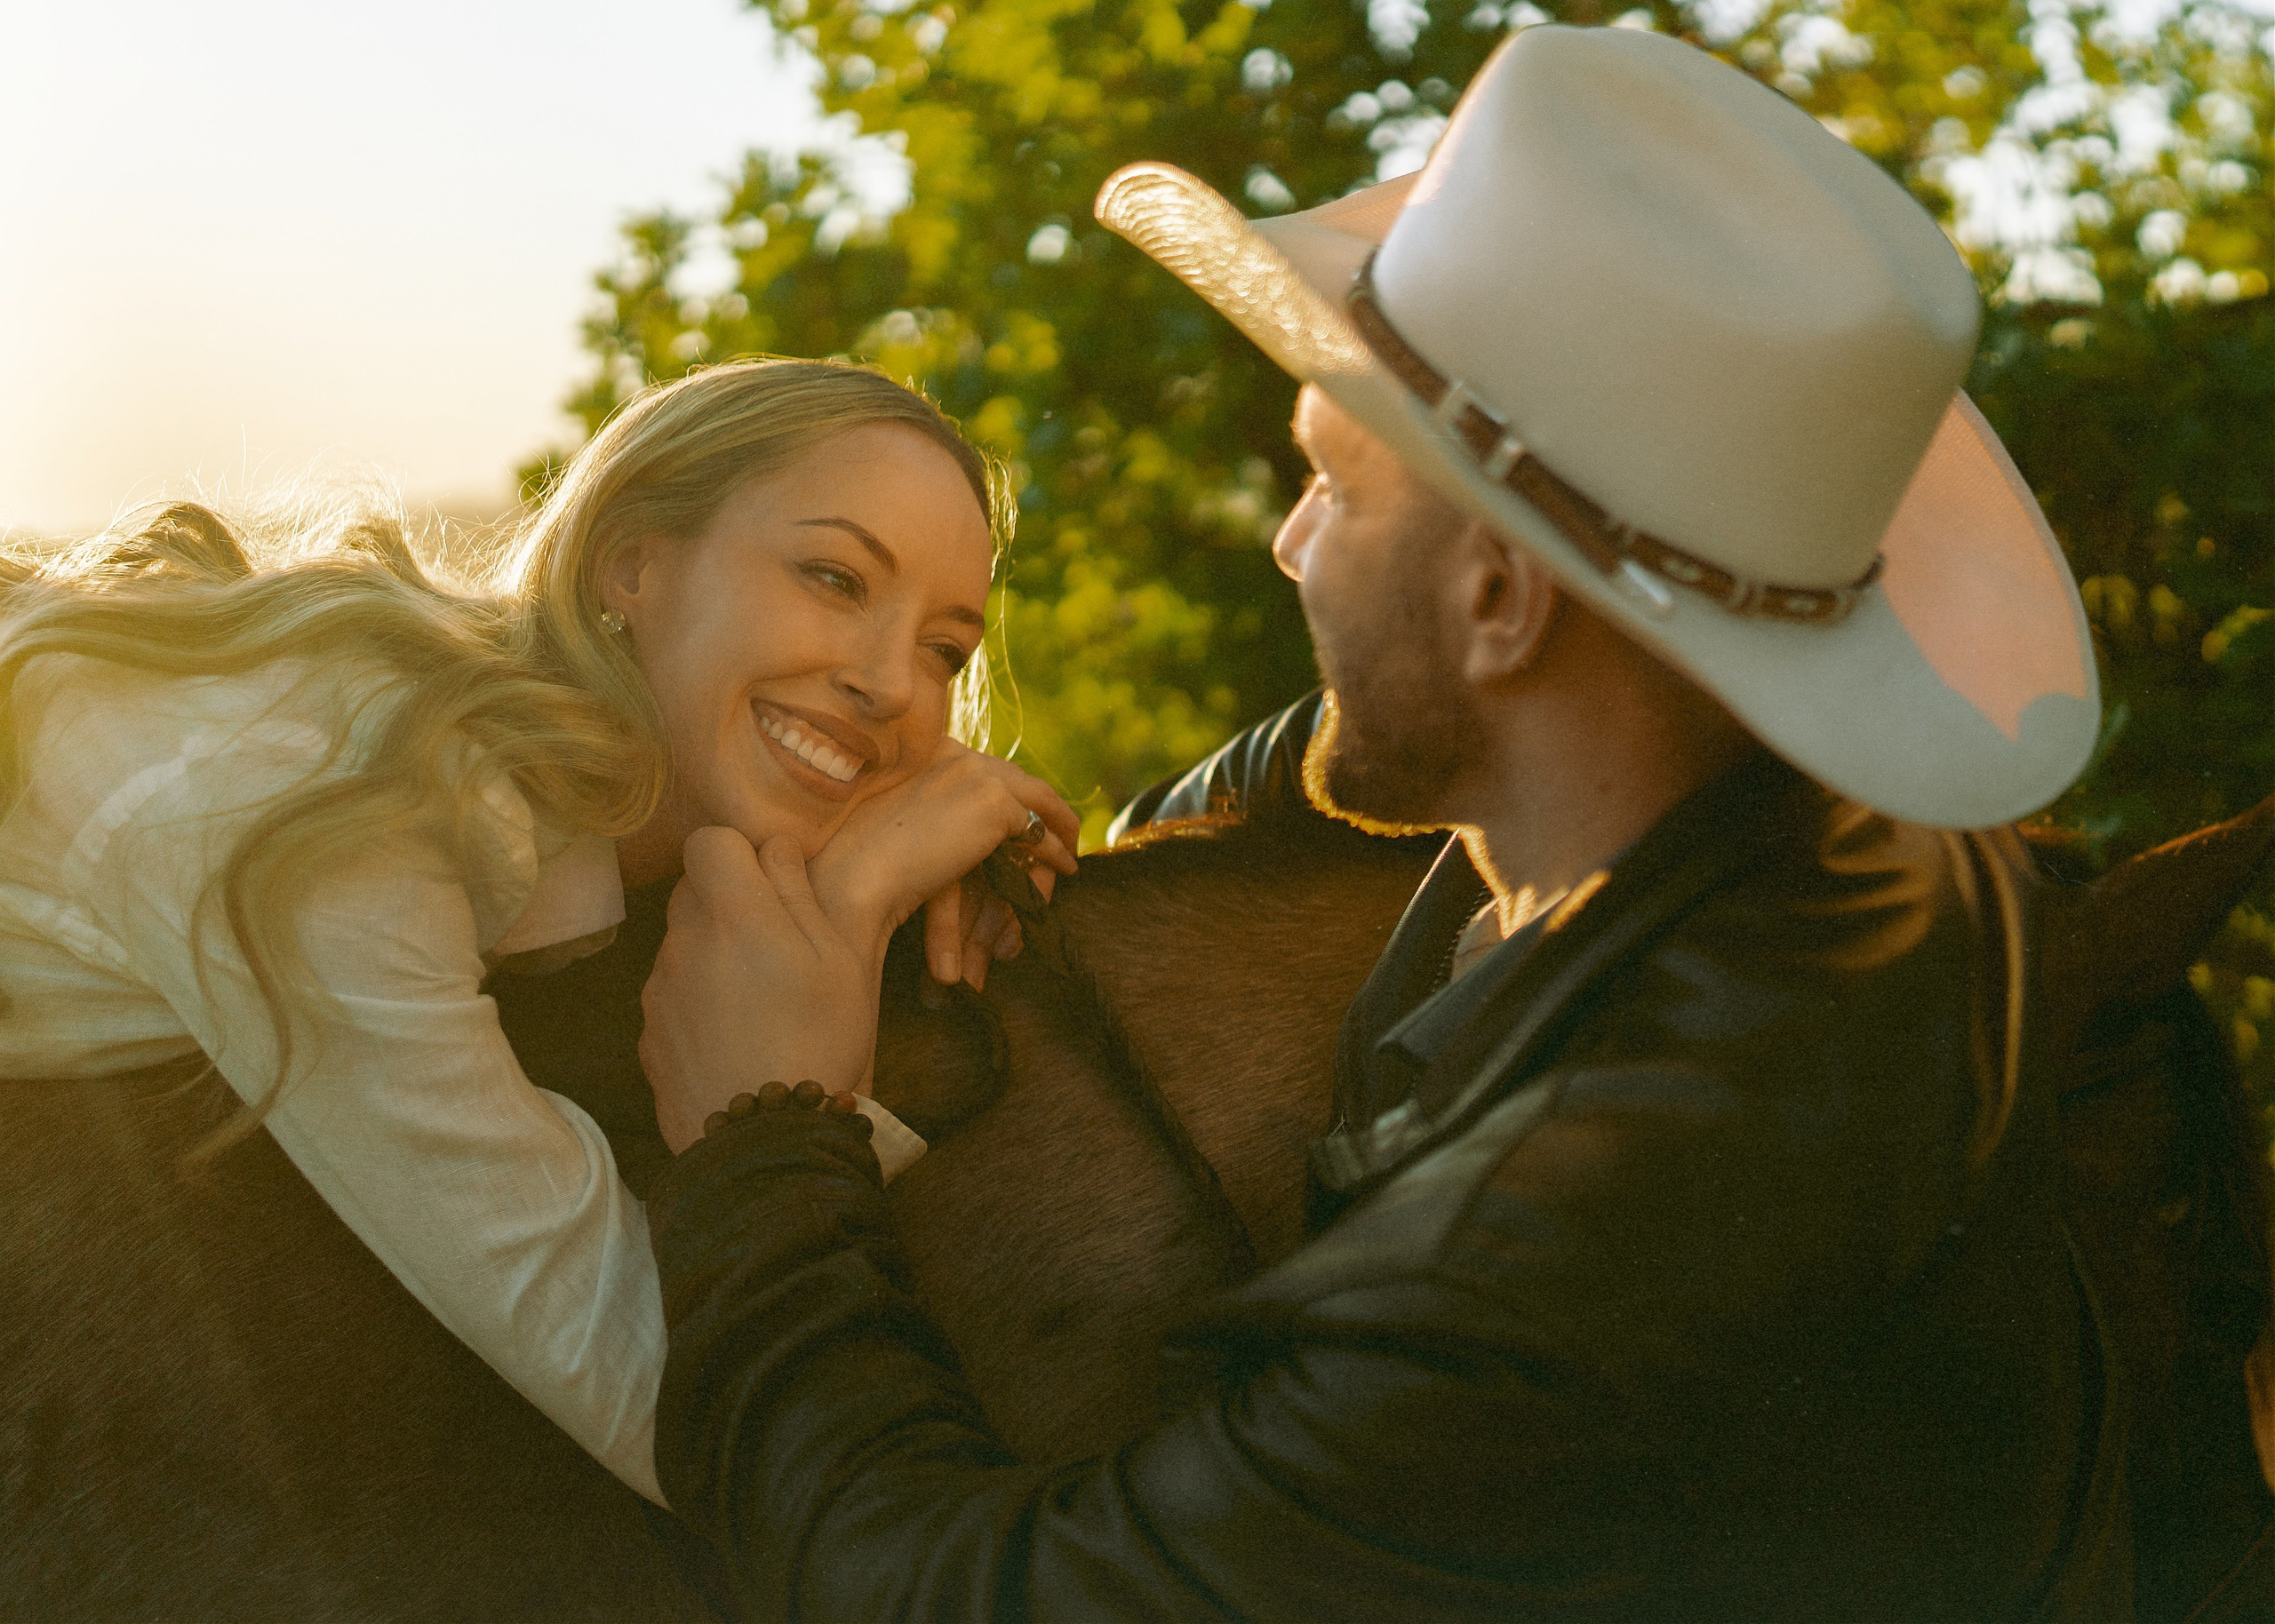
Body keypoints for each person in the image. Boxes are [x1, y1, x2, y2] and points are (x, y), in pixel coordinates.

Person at [629, 26, 2134, 1620]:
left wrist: (767, 1140)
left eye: (1336, 489)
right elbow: (1309, 767)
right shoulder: (1767, 809)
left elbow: (975, 1596)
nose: (1290, 545)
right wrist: (981, 827)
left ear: (1495, 604)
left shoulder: (1554, 1275)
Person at [0, 358, 1077, 1504]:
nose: (889, 687)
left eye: (944, 653)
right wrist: (852, 901)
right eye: (835, 576)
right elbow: (676, 1397)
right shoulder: (343, 816)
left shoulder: (540, 806)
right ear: (631, 559)